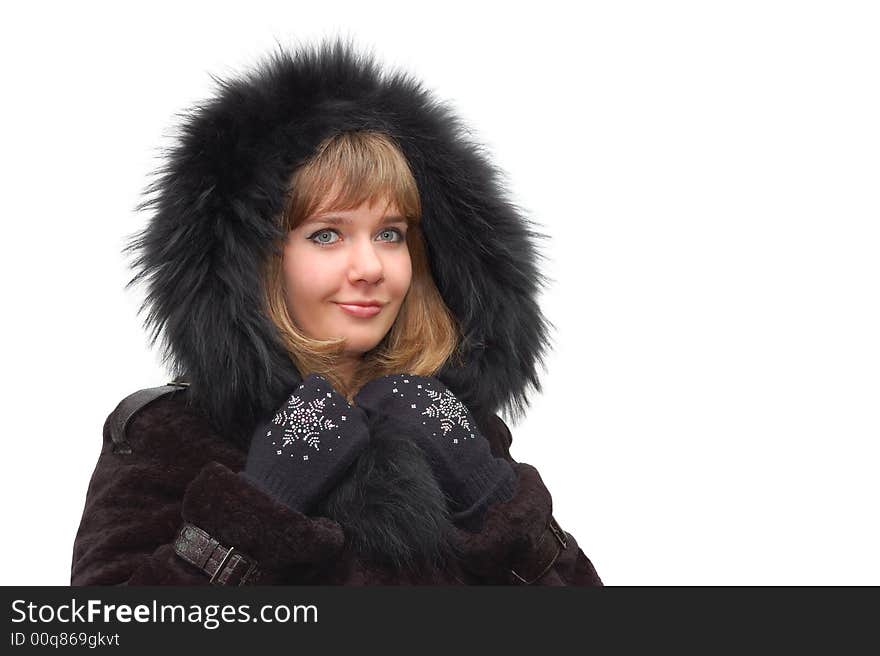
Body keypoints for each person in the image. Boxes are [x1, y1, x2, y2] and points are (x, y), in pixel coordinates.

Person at [70, 39, 603, 586]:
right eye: (327, 234)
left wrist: (495, 503)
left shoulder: (460, 430)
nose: (371, 266)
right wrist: (257, 507)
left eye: (390, 234)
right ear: (252, 261)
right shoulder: (168, 437)